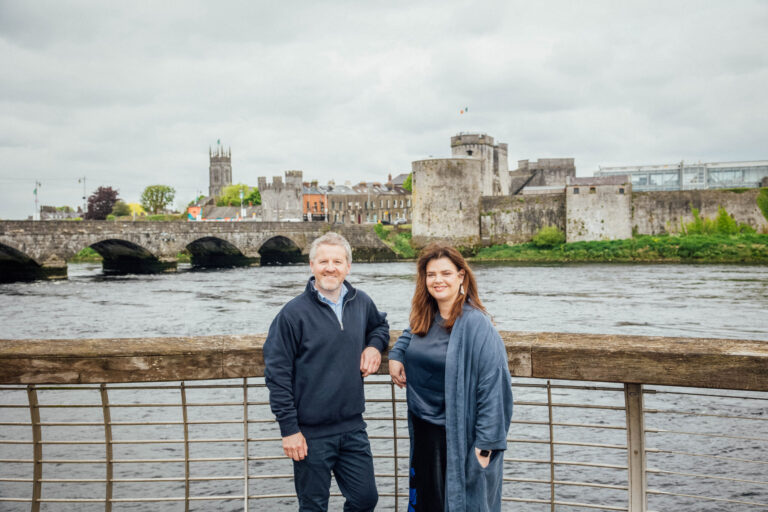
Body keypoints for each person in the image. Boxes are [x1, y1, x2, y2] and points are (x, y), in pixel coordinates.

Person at [263, 232, 390, 512]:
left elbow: (380, 326)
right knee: (313, 507)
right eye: (323, 261)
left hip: (353, 426)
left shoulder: (361, 301)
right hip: (309, 434)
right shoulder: (292, 315)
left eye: (337, 261)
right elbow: (277, 374)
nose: (330, 267)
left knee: (365, 499)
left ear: (348, 267)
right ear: (312, 266)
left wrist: (374, 347)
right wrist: (289, 430)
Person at [388, 242, 513, 512]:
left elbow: (494, 389)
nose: (438, 280)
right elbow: (408, 336)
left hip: (460, 438)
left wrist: (485, 449)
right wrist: (396, 354)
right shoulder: (424, 316)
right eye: (431, 274)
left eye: (446, 273)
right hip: (424, 432)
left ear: (461, 277)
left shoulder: (476, 324)